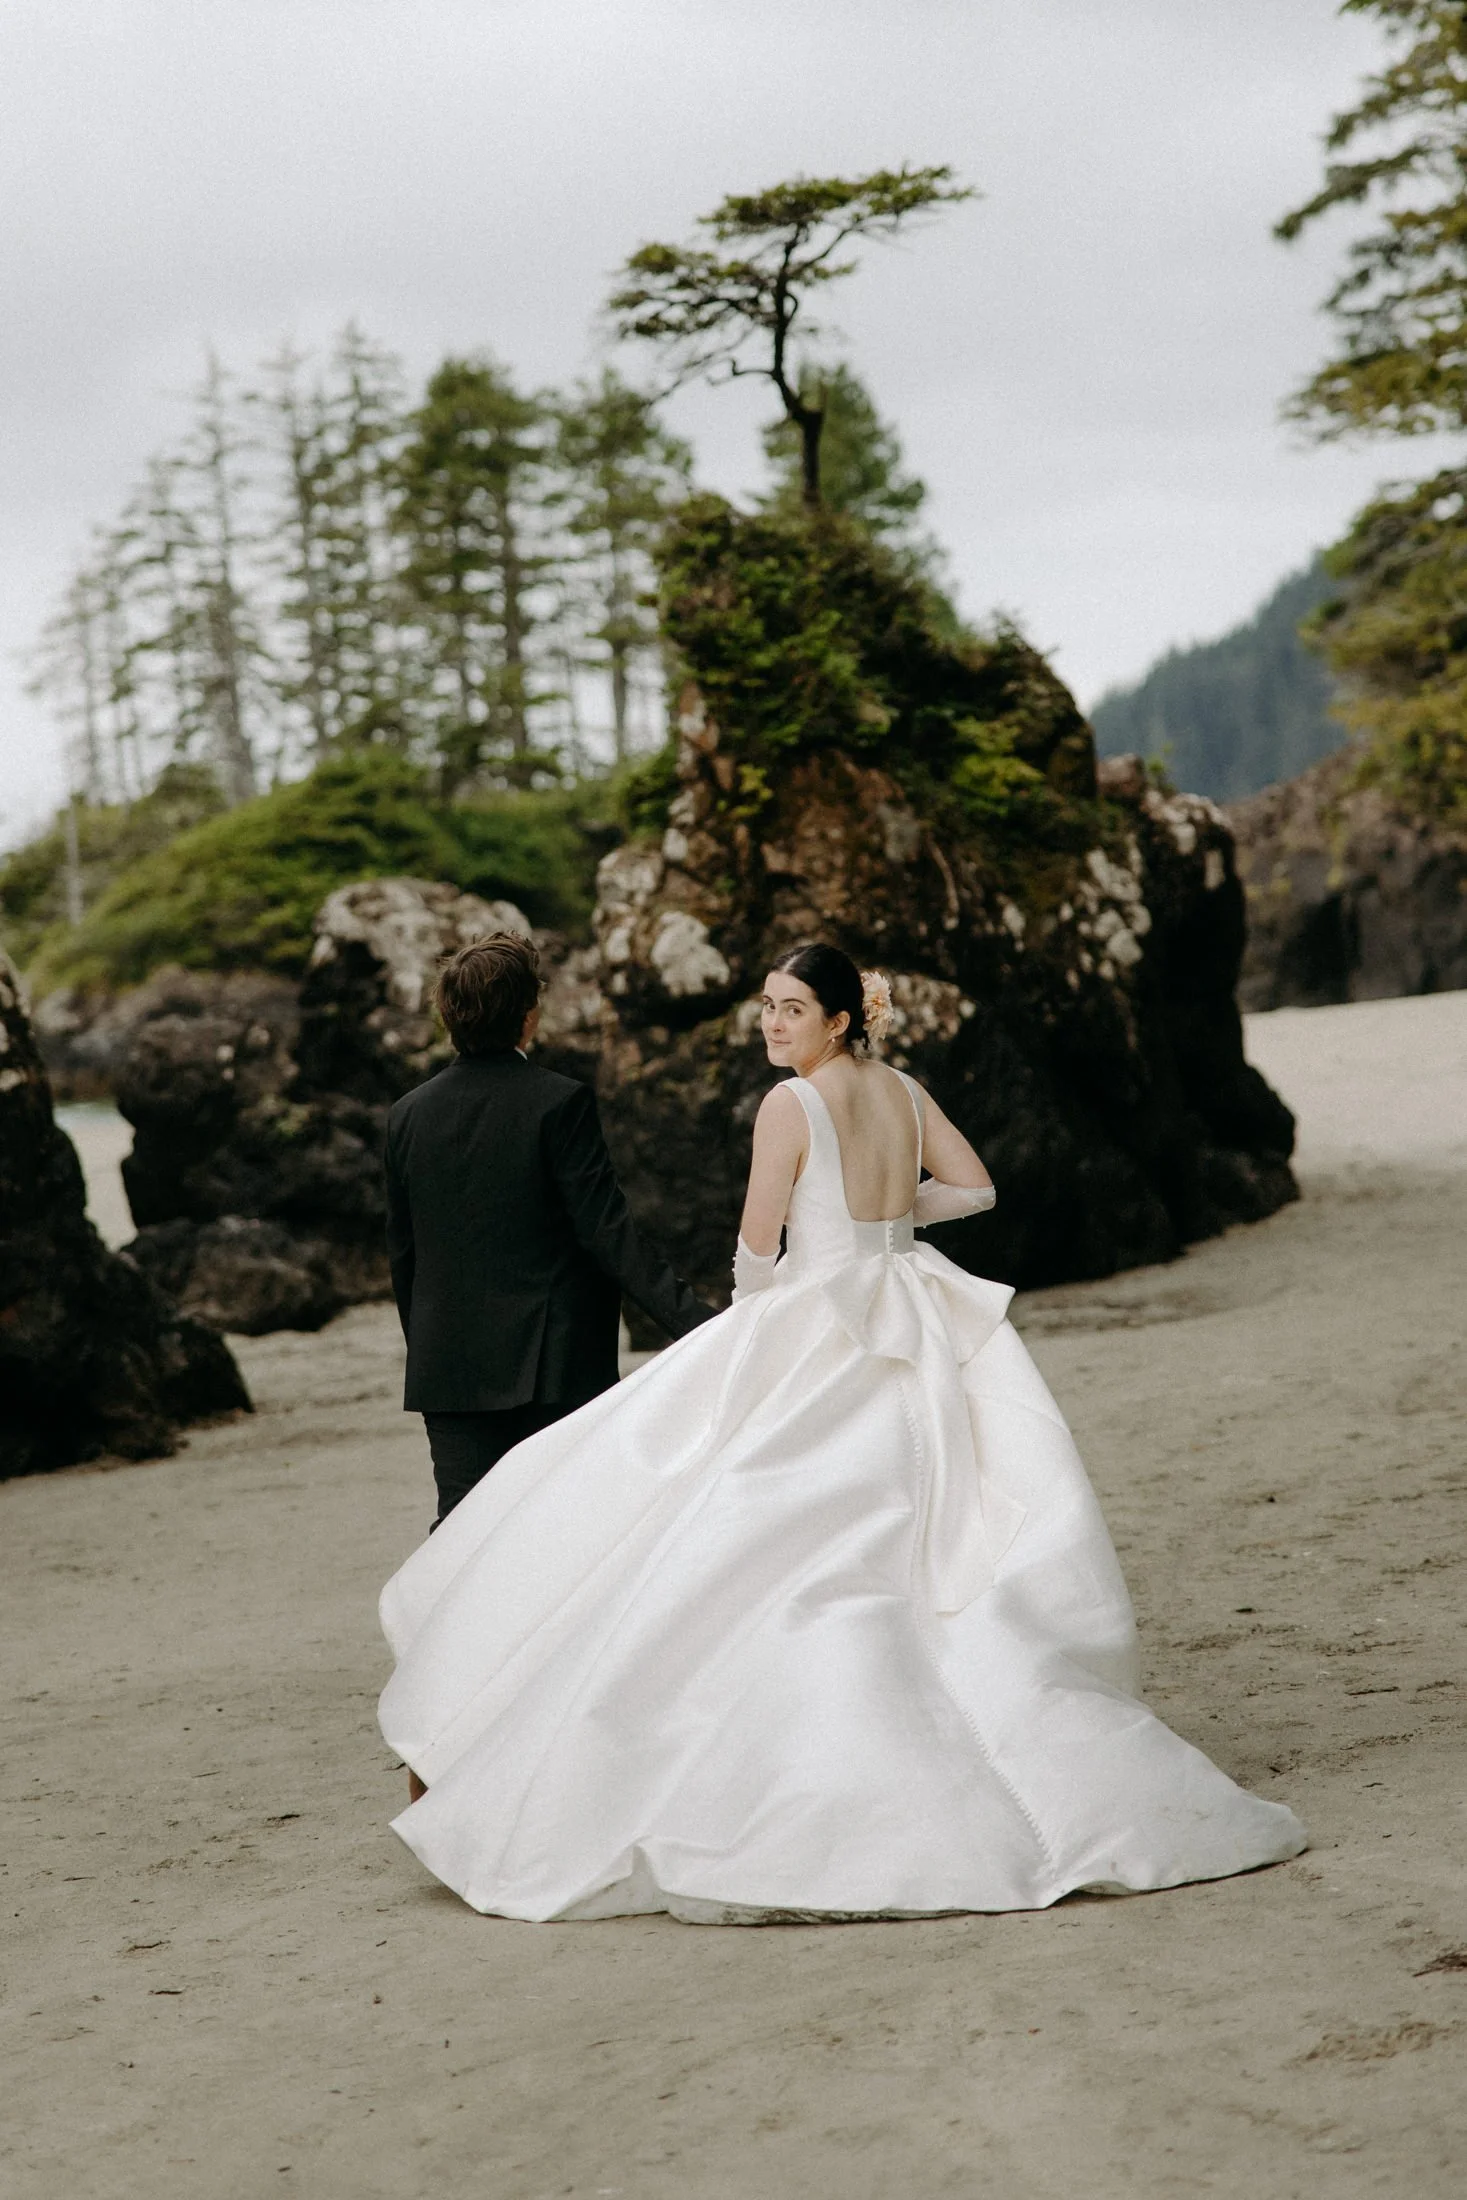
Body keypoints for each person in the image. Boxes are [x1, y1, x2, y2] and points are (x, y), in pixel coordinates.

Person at [378, 941, 1305, 1922]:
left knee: (760, 1532)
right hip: (907, 1305)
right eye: (767, 1008)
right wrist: (896, 1219)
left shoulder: (790, 1105)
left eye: (787, 1008)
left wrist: (740, 1336)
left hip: (809, 1321)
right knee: (920, 1526)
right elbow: (978, 1189)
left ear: (837, 1017)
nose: (771, 1024)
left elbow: (757, 1244)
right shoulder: (902, 1089)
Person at [383, 929, 712, 1530]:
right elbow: (610, 1235)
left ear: (445, 1013)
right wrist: (703, 1326)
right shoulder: (559, 1103)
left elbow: (404, 1256)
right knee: (568, 1531)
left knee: (463, 1535)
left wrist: (432, 1344)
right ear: (529, 1016)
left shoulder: (407, 1116)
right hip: (554, 1364)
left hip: (448, 1365)